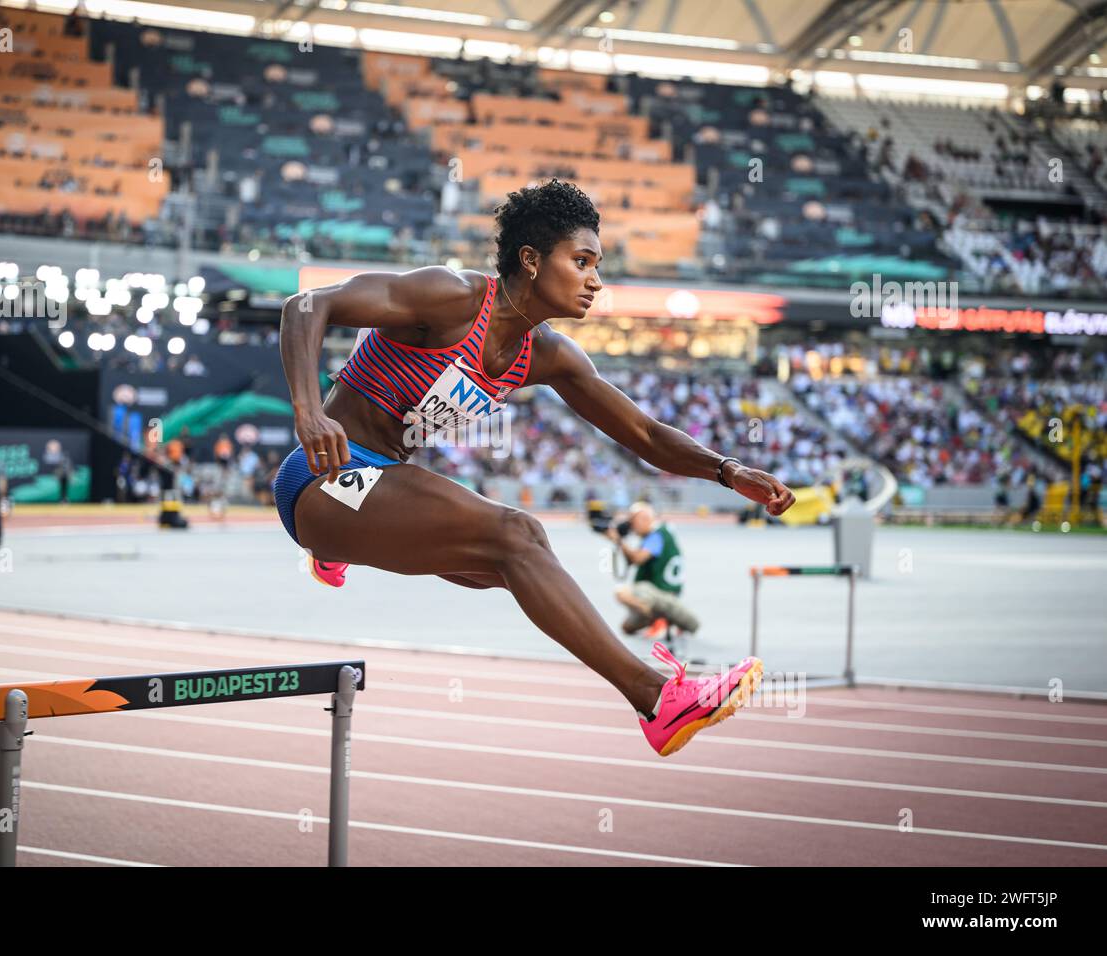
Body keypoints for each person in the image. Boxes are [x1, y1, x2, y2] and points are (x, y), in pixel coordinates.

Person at [272, 179, 796, 758]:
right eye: (581, 261)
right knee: (520, 536)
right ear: (530, 259)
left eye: (598, 265)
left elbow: (645, 434)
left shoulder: (546, 356)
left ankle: (339, 547)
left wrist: (726, 470)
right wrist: (308, 411)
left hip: (375, 488)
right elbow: (306, 305)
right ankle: (658, 699)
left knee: (516, 570)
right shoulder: (450, 298)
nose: (596, 280)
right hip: (324, 478)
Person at [607, 502, 701, 640]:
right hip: (666, 595)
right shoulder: (663, 533)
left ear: (645, 519)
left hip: (660, 594)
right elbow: (633, 560)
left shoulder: (656, 536)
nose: (631, 526)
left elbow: (638, 558)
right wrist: (619, 543)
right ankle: (664, 619)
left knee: (621, 592)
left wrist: (619, 541)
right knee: (626, 628)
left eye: (633, 521)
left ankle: (659, 619)